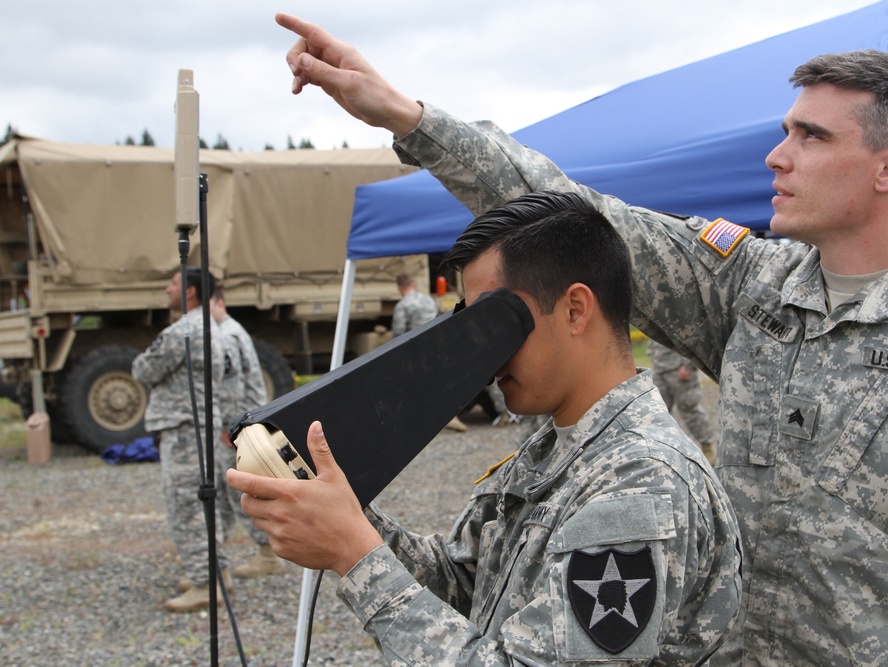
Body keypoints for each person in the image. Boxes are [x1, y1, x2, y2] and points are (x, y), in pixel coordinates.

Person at [272, 14, 888, 665]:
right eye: (785, 131)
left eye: (811, 136)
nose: (778, 155)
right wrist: (408, 116)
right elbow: (577, 219)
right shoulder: (752, 289)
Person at [228, 191, 742, 665]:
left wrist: (355, 555)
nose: (480, 353)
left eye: (494, 324)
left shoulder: (640, 483)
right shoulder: (554, 448)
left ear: (575, 308)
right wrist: (340, 515)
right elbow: (463, 583)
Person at [132, 266, 229, 613]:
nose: (166, 290)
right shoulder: (210, 326)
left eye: (172, 284)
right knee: (203, 502)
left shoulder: (183, 331)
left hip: (185, 427)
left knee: (185, 505)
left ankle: (206, 584)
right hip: (198, 425)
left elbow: (144, 370)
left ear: (190, 291)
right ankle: (217, 573)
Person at [209, 285, 284, 580]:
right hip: (244, 424)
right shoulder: (232, 332)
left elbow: (232, 387)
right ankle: (218, 557)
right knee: (228, 492)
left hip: (239, 428)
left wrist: (230, 425)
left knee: (238, 492)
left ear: (219, 302)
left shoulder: (227, 335)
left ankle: (267, 554)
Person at [393, 272, 467, 432]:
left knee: (413, 385)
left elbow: (398, 332)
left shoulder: (403, 305)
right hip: (435, 346)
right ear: (412, 283)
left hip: (415, 350)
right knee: (439, 382)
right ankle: (450, 416)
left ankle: (417, 421)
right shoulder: (428, 299)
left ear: (400, 287)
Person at [645, 339, 717, 465]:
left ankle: (708, 448)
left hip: (679, 370)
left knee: (690, 409)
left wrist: (688, 366)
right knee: (658, 411)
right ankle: (661, 451)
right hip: (659, 369)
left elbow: (691, 340)